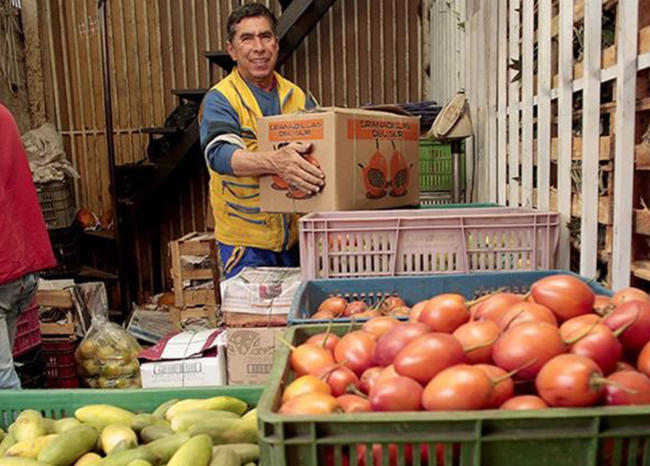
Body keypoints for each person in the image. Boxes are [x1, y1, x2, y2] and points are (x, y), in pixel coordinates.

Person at [199, 3, 324, 279]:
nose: (259, 47)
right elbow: (219, 154)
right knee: (251, 310)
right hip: (246, 245)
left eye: (265, 36)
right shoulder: (221, 99)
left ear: (276, 44)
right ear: (232, 50)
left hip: (296, 240)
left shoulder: (297, 96)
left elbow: (322, 151)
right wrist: (275, 162)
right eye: (247, 38)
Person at [0, 103, 56, 389]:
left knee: (2, 379)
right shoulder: (4, 114)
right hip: (20, 262)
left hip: (4, 264)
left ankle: (20, 418)